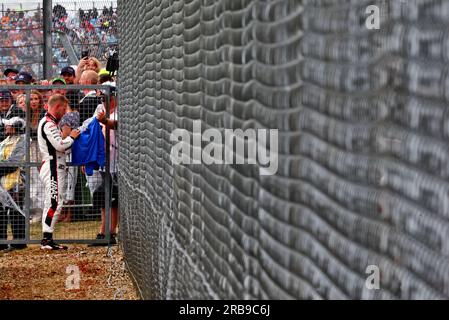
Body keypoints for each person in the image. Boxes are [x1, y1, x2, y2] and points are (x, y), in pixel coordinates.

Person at [38, 94, 80, 250]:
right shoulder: (48, 124)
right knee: (55, 202)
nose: (65, 113)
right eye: (63, 109)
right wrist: (72, 137)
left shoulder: (50, 123)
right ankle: (46, 239)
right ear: (57, 107)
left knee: (52, 201)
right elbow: (60, 145)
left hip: (54, 166)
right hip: (53, 166)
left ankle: (47, 238)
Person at [89, 82, 118, 246]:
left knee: (113, 199)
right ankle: (103, 232)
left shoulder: (119, 112)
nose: (102, 101)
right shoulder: (100, 111)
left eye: (105, 98)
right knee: (102, 197)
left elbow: (116, 124)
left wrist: (105, 121)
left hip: (118, 164)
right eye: (101, 98)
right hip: (104, 162)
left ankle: (110, 232)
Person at [0, 117, 27, 252]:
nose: (6, 127)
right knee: (1, 211)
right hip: (3, 181)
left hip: (16, 181)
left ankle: (19, 242)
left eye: (9, 125)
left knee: (16, 212)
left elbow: (14, 162)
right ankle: (2, 242)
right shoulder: (6, 141)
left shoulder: (22, 141)